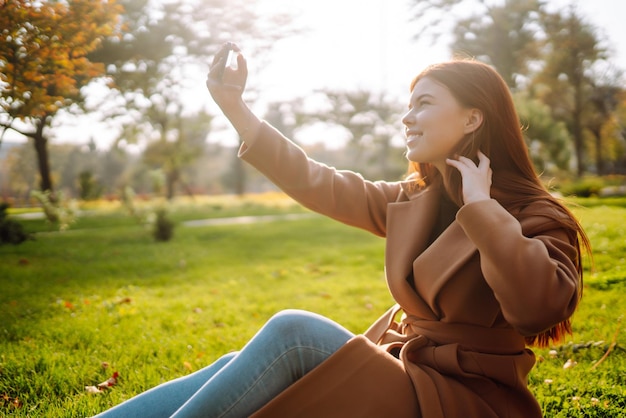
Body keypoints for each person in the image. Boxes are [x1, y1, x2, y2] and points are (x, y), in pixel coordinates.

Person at [94, 43, 590, 418]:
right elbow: (319, 182)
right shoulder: (412, 199)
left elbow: (536, 309)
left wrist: (482, 207)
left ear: (472, 117)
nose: (406, 116)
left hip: (464, 400)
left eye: (424, 104)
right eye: (409, 104)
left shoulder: (536, 215)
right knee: (240, 360)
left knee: (294, 333)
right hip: (409, 373)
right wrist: (236, 110)